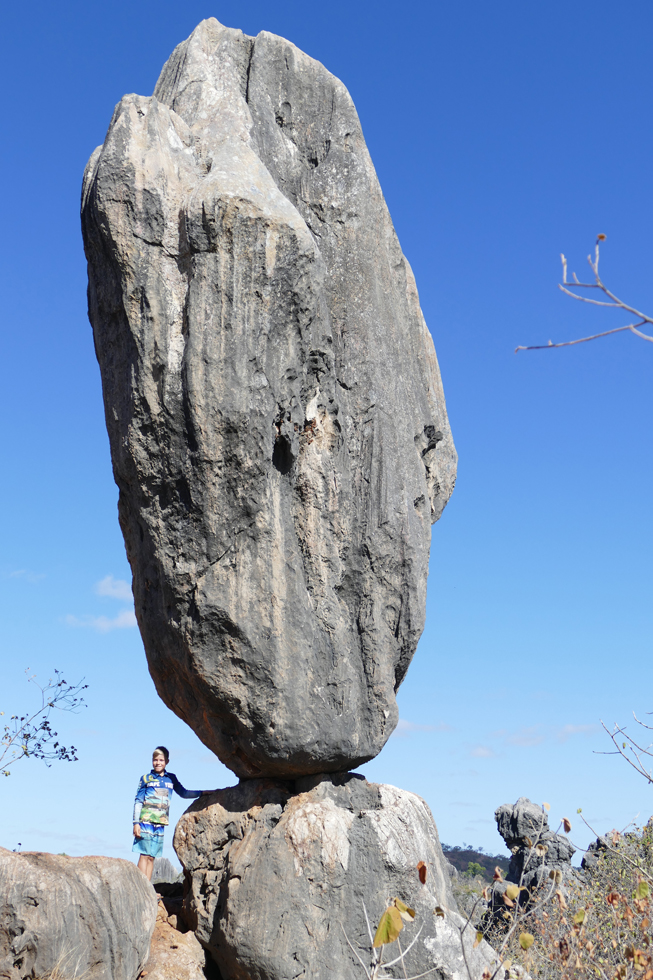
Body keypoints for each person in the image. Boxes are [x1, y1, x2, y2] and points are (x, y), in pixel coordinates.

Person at [132, 745, 212, 880]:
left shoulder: (171, 778)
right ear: (152, 761)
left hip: (160, 822)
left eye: (161, 760)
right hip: (145, 820)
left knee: (152, 857)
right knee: (144, 854)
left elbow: (184, 793)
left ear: (167, 762)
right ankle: (141, 887)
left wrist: (203, 793)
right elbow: (138, 801)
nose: (158, 763)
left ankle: (148, 888)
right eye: (155, 760)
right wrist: (136, 823)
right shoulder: (146, 778)